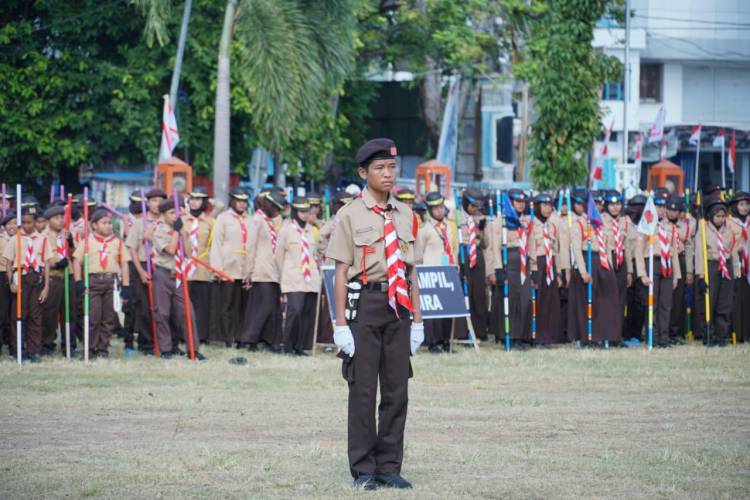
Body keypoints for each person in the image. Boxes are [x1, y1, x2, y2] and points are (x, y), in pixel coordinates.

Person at [326, 138, 423, 490]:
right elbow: (339, 271)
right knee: (364, 391)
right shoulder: (350, 214)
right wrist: (340, 325)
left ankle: (389, 467)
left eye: (392, 167)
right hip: (364, 304)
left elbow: (412, 271)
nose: (388, 174)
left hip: (399, 307)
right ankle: (363, 469)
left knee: (397, 391)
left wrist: (418, 321)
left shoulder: (407, 214)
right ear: (364, 173)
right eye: (380, 168)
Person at [151, 198, 205, 360]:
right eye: (171, 213)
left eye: (177, 212)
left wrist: (184, 234)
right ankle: (166, 349)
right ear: (163, 215)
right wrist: (175, 232)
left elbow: (188, 253)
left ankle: (193, 349)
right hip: (163, 274)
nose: (175, 216)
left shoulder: (181, 229)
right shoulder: (159, 230)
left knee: (187, 312)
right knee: (163, 312)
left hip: (179, 275)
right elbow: (171, 249)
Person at [72, 209, 130, 358]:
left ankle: (102, 349)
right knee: (93, 317)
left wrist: (126, 286)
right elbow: (76, 262)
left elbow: (124, 264)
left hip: (111, 282)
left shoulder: (117, 243)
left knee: (108, 319)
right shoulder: (86, 242)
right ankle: (90, 349)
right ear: (94, 225)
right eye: (104, 223)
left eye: (110, 223)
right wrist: (78, 281)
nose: (108, 226)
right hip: (93, 282)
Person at [570, 192, 622, 346]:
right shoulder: (579, 223)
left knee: (604, 302)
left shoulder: (602, 223)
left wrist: (610, 269)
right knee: (586, 303)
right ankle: (586, 338)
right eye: (595, 203)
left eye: (600, 203)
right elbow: (577, 250)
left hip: (602, 262)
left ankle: (602, 335)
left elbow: (607, 246)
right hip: (588, 260)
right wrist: (583, 271)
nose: (597, 206)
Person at [241, 190, 288, 352]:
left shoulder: (279, 221)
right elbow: (250, 246)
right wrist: (248, 271)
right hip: (261, 269)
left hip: (277, 271)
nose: (276, 210)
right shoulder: (257, 220)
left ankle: (271, 340)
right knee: (262, 307)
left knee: (274, 308)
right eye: (274, 206)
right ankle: (250, 339)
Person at [275, 197, 321, 355]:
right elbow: (279, 256)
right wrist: (283, 275)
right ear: (295, 211)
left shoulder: (313, 230)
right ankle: (287, 346)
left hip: (311, 278)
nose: (304, 214)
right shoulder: (286, 230)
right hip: (293, 276)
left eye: (307, 211)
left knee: (307, 313)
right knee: (294, 310)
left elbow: (316, 254)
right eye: (301, 211)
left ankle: (301, 347)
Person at [635, 191, 681, 348]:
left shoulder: (670, 227)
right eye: (658, 206)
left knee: (666, 304)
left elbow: (673, 251)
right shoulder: (646, 224)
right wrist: (642, 274)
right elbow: (638, 251)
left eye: (663, 207)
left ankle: (663, 337)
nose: (661, 210)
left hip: (666, 265)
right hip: (652, 264)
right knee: (651, 304)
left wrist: (676, 275)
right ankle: (652, 336)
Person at [695, 196, 740, 346]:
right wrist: (701, 275)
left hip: (726, 267)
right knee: (710, 300)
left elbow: (733, 251)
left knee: (724, 302)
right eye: (717, 216)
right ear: (711, 216)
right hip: (711, 266)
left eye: (723, 216)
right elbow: (700, 253)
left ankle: (722, 335)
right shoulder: (703, 229)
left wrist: (736, 271)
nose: (720, 219)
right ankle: (708, 333)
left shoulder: (729, 230)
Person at [209, 187, 252, 347]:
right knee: (227, 306)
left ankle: (241, 337)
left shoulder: (250, 219)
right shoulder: (223, 218)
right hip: (228, 268)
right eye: (238, 200)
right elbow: (217, 244)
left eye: (244, 201)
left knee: (243, 307)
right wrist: (218, 269)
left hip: (245, 269)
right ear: (232, 200)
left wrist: (251, 270)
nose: (241, 204)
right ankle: (227, 338)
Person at [415, 191, 457, 352]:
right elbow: (418, 253)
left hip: (448, 271)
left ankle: (447, 341)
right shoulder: (425, 229)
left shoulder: (451, 226)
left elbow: (455, 248)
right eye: (435, 208)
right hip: (431, 272)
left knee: (448, 308)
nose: (439, 211)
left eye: (441, 207)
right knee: (433, 311)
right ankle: (433, 342)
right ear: (429, 210)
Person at [124, 188, 164, 354]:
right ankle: (145, 343)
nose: (157, 204)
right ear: (147, 203)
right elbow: (132, 248)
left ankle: (162, 341)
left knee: (160, 307)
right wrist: (140, 271)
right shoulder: (140, 222)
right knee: (142, 307)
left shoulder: (166, 222)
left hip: (160, 266)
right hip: (141, 264)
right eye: (153, 201)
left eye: (160, 200)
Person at [528, 193, 569, 346]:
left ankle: (550, 335)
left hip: (550, 264)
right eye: (544, 205)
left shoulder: (551, 225)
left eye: (549, 205)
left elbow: (556, 250)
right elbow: (530, 248)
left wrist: (559, 272)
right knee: (538, 302)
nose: (547, 209)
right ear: (537, 206)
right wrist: (533, 271)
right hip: (538, 264)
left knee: (551, 301)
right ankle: (537, 336)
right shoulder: (532, 224)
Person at [5, 206, 45, 362]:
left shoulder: (41, 239)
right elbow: (8, 262)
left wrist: (46, 286)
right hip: (20, 277)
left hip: (35, 277)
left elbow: (46, 263)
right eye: (25, 223)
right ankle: (18, 349)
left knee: (35, 316)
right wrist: (11, 283)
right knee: (19, 315)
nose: (28, 226)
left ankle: (34, 350)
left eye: (31, 222)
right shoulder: (15, 239)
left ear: (35, 222)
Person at [315, 191, 354, 345]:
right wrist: (329, 253)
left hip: (350, 267)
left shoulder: (350, 220)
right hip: (333, 267)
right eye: (343, 204)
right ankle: (327, 338)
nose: (346, 207)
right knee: (331, 305)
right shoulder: (334, 222)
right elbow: (320, 239)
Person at [181, 188, 215, 345]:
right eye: (192, 199)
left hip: (203, 267)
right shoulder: (181, 220)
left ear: (204, 202)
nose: (194, 202)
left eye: (199, 199)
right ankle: (184, 334)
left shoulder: (210, 222)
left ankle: (201, 336)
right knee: (184, 303)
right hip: (184, 267)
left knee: (202, 304)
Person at [40, 205, 74, 355]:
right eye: (56, 218)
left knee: (69, 313)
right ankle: (47, 344)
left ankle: (69, 345)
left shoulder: (66, 235)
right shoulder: (44, 237)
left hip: (68, 277)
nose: (60, 221)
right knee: (50, 313)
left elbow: (74, 254)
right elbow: (41, 260)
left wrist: (71, 242)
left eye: (62, 218)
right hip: (53, 277)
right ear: (48, 221)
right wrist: (56, 264)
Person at [457, 188, 489, 341]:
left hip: (477, 255)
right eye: (473, 206)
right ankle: (463, 331)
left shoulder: (479, 218)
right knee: (464, 294)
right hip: (463, 254)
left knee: (479, 294)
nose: (475, 209)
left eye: (478, 206)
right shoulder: (456, 217)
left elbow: (485, 244)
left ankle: (479, 331)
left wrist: (481, 229)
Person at [601, 190, 630, 341]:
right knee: (608, 299)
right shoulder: (600, 219)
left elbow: (629, 247)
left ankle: (617, 336)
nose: (615, 207)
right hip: (607, 259)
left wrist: (630, 271)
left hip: (622, 260)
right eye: (611, 204)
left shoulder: (625, 221)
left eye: (618, 204)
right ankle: (607, 334)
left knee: (621, 300)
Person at [667, 194, 695, 344]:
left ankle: (676, 332)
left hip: (682, 259)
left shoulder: (686, 227)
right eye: (669, 210)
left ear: (680, 212)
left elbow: (689, 249)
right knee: (666, 298)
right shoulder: (661, 225)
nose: (672, 213)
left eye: (675, 210)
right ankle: (664, 330)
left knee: (679, 299)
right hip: (667, 261)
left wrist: (689, 270)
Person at [624, 194, 647, 344]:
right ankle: (627, 333)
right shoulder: (625, 224)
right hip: (628, 265)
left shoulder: (647, 224)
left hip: (643, 266)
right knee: (628, 303)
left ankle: (637, 333)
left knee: (641, 303)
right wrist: (629, 271)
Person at [728, 191, 750, 342]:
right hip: (737, 264)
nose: (745, 207)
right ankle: (738, 333)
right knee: (737, 299)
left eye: (747, 204)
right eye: (741, 204)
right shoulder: (729, 222)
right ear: (735, 206)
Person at [0, 212, 16, 355]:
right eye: (8, 224)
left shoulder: (22, 240)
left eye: (15, 223)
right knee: (3, 313)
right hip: (2, 276)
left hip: (18, 276)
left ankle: (14, 345)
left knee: (15, 312)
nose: (12, 226)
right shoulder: (2, 240)